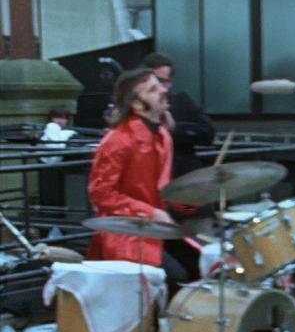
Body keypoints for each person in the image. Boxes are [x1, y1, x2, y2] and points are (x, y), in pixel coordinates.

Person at [86, 68, 192, 297]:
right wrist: (151, 213)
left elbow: (163, 189)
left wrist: (194, 205)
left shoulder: (163, 135)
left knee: (203, 264)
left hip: (156, 228)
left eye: (161, 85)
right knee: (176, 278)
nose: (164, 90)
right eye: (153, 89)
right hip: (126, 235)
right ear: (136, 104)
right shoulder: (117, 140)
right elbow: (101, 194)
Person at [138, 53, 216, 179]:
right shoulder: (132, 108)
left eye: (165, 82)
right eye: (155, 82)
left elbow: (208, 132)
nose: (161, 88)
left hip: (179, 177)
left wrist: (176, 128)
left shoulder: (181, 102)